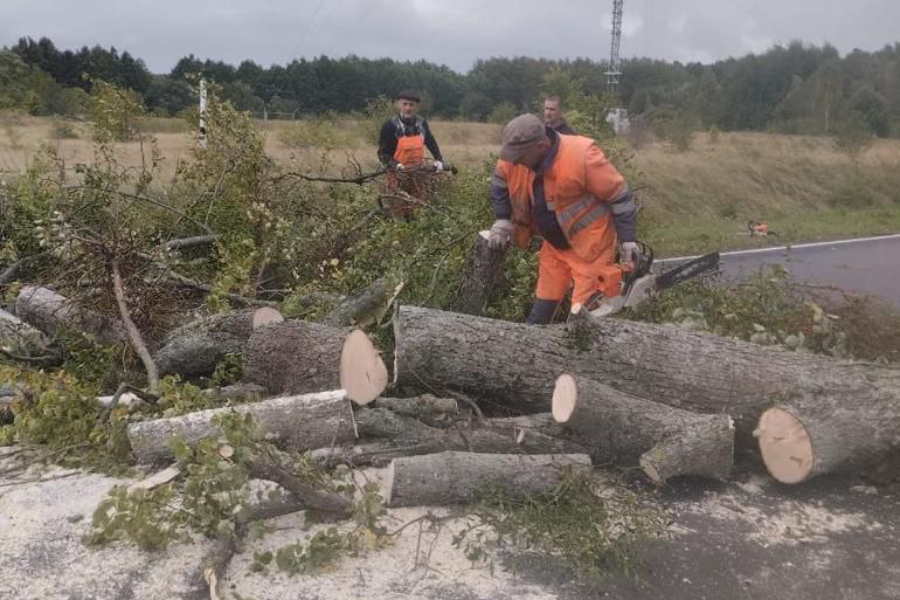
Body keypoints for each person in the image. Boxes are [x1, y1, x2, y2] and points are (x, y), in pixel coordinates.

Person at [488, 113, 639, 324]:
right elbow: (499, 182)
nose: (515, 160)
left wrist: (627, 238)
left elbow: (619, 195)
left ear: (541, 145)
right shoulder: (515, 157)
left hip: (590, 249)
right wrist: (502, 219)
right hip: (554, 248)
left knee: (582, 322)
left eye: (520, 156)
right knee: (539, 314)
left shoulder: (581, 156)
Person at [377, 90, 445, 219]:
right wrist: (396, 165)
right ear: (398, 105)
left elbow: (430, 141)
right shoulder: (390, 126)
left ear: (417, 107)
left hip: (418, 175)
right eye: (405, 104)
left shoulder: (421, 123)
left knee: (418, 209)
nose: (408, 108)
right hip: (397, 176)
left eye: (411, 105)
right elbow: (382, 153)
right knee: (398, 210)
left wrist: (439, 159)